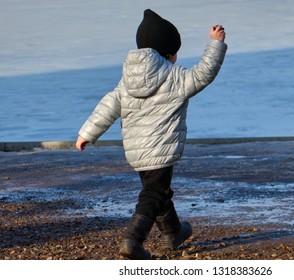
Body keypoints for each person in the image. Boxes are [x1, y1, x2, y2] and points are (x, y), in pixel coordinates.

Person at [75, 9, 227, 260]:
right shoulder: (175, 77)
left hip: (137, 152)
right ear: (168, 53)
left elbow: (109, 105)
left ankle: (173, 232)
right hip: (161, 149)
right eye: (175, 52)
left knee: (159, 192)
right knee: (153, 194)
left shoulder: (127, 80)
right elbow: (204, 73)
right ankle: (132, 241)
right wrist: (216, 44)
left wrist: (86, 133)